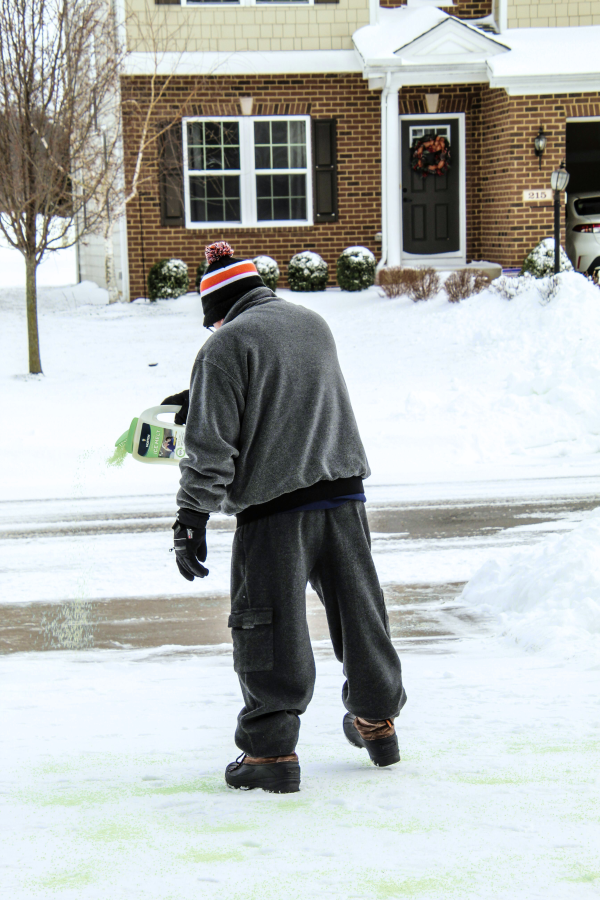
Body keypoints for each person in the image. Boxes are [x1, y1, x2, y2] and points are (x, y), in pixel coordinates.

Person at [164, 241, 406, 794]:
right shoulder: (312, 323)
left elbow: (210, 450)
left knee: (269, 628)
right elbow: (287, 389)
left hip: (274, 513)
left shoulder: (226, 346)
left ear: (218, 311)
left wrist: (190, 517)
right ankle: (378, 721)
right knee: (361, 616)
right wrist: (202, 394)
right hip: (344, 498)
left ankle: (270, 756)